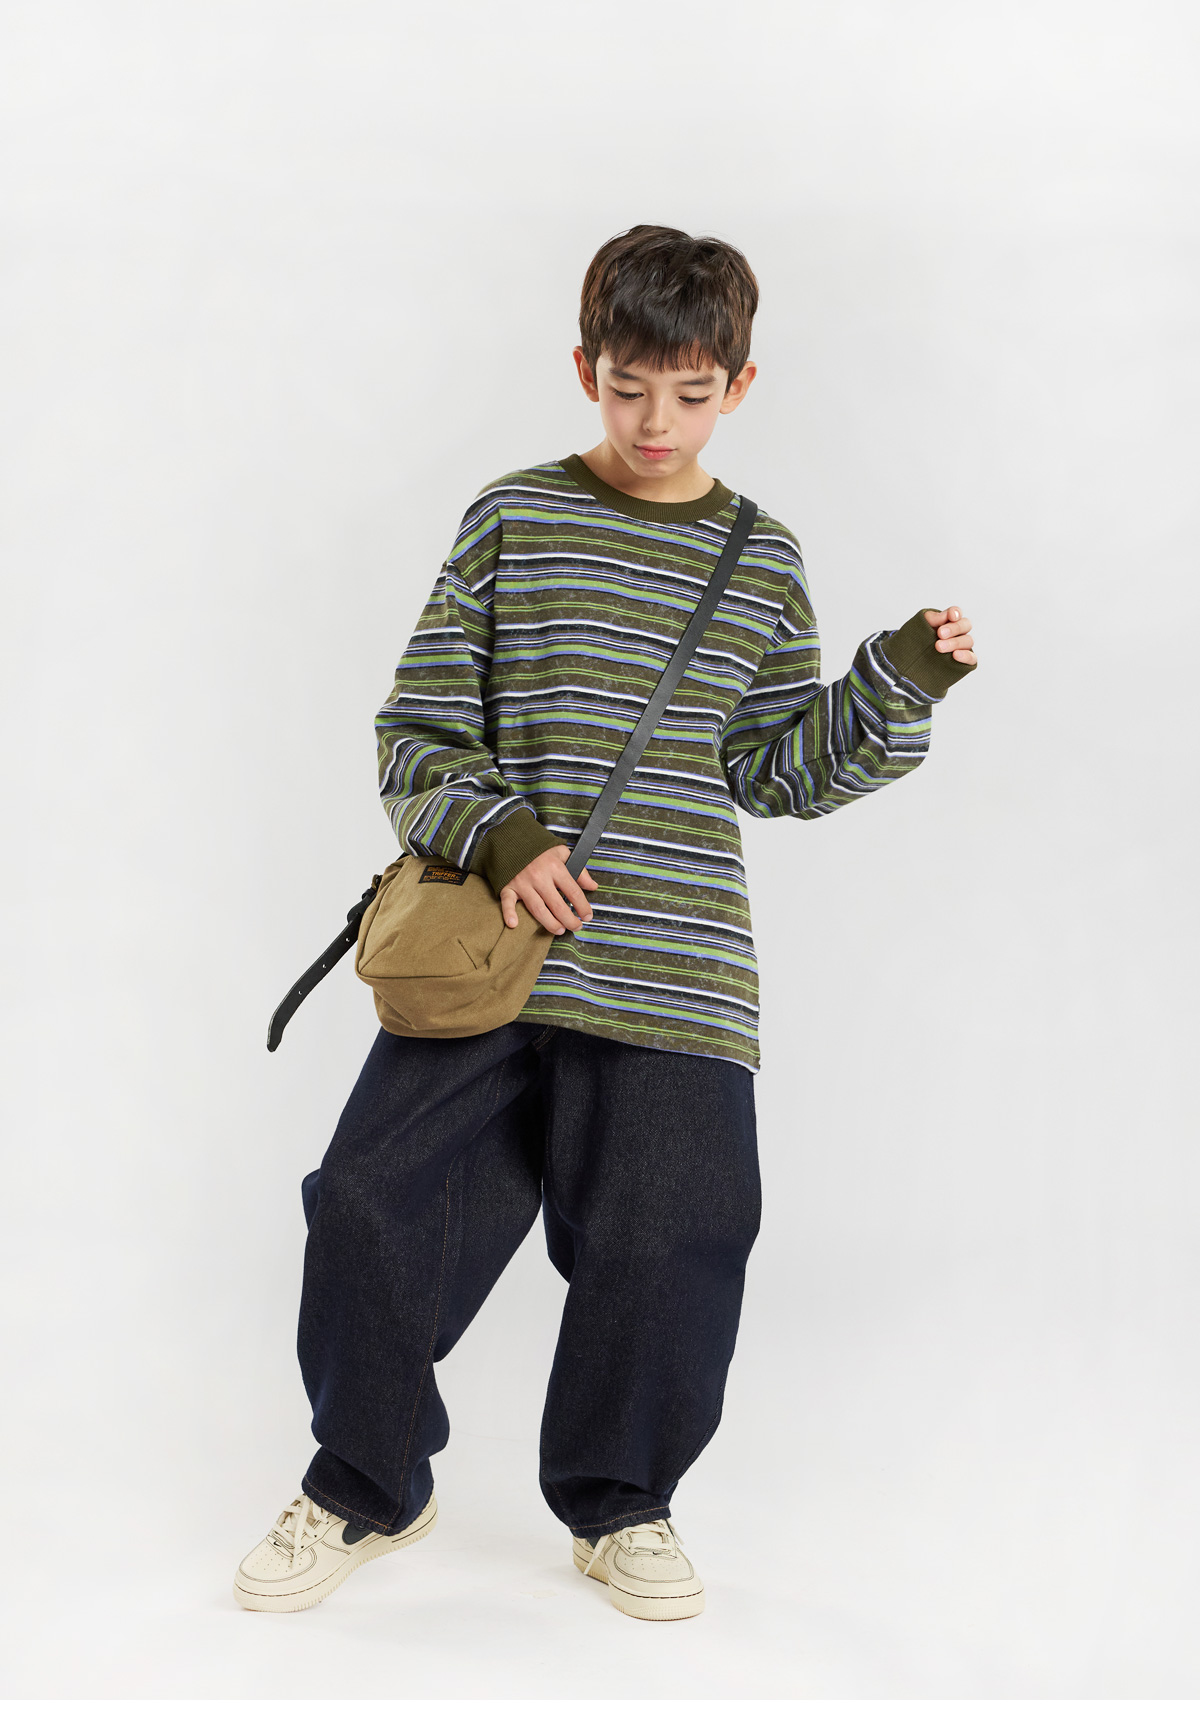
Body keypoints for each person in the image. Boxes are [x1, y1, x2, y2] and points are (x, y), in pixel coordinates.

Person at [233, 224, 978, 1621]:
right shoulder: (513, 519)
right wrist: (506, 838)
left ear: (738, 387)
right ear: (587, 368)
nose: (655, 422)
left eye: (690, 394)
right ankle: (366, 1483)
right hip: (490, 961)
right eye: (630, 386)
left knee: (673, 1240)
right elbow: (417, 728)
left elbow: (774, 769)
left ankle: (622, 1500)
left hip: (678, 972)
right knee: (369, 1204)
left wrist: (898, 683)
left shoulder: (761, 558)